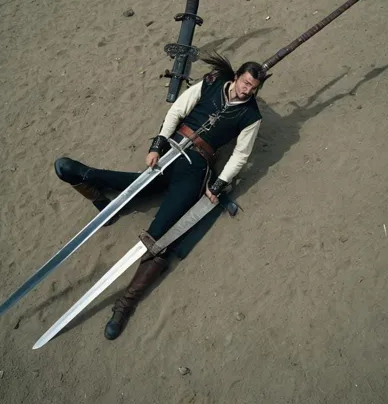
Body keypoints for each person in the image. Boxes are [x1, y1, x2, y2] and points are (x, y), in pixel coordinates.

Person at [54, 56, 265, 340]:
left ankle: (124, 304)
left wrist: (218, 184)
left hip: (196, 168)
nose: (247, 91)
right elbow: (178, 110)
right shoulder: (212, 82)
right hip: (170, 153)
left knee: (161, 234)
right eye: (245, 83)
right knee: (135, 186)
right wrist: (158, 145)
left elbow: (241, 154)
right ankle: (89, 181)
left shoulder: (251, 116)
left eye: (253, 88)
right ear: (238, 75)